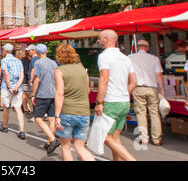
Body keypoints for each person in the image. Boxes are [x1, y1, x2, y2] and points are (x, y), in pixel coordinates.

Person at [95, 30, 137, 161]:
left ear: (106, 39)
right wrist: (124, 93)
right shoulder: (125, 57)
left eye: (100, 38)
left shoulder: (104, 56)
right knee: (115, 138)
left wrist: (99, 102)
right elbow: (134, 81)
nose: (98, 40)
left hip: (111, 101)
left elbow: (104, 79)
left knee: (105, 137)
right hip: (124, 101)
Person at [54, 43, 95, 161]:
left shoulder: (59, 70)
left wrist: (57, 115)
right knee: (80, 147)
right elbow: (87, 91)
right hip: (83, 112)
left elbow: (59, 93)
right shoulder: (83, 70)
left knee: (66, 146)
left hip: (67, 112)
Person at [128, 39, 165, 146]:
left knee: (141, 113)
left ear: (137, 47)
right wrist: (162, 89)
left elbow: (128, 74)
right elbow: (159, 75)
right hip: (152, 88)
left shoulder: (130, 58)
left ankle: (144, 138)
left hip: (138, 87)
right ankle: (156, 138)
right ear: (147, 48)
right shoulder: (154, 58)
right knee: (154, 113)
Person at [31, 44, 60, 154]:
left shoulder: (37, 63)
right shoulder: (53, 63)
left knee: (38, 118)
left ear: (37, 53)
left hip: (43, 94)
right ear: (46, 51)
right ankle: (49, 143)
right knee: (51, 118)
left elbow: (37, 80)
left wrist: (33, 94)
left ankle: (52, 139)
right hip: (53, 93)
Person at [0, 44, 26, 140]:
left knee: (6, 107)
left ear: (5, 50)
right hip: (18, 88)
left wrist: (9, 87)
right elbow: (22, 75)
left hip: (7, 87)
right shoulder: (18, 61)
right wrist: (16, 87)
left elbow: (6, 74)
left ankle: (5, 126)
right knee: (18, 108)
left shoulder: (4, 60)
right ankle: (22, 130)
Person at [20, 47, 33, 114]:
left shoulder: (32, 59)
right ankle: (26, 108)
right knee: (25, 94)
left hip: (29, 80)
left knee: (27, 95)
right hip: (25, 79)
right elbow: (26, 71)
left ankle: (27, 108)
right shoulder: (24, 60)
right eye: (28, 51)